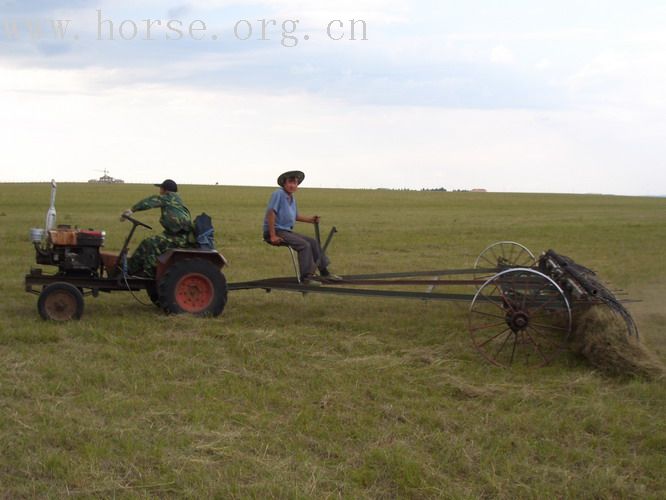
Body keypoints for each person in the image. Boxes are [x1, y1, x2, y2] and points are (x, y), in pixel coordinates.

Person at [263, 170, 341, 285]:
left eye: (295, 183)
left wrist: (311, 220)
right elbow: (271, 213)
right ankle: (306, 278)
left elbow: (295, 216)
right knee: (304, 245)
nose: (293, 185)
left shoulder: (291, 198)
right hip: (276, 230)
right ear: (284, 183)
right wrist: (273, 235)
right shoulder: (278, 194)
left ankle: (325, 273)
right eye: (290, 182)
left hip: (286, 231)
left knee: (313, 242)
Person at [120, 179, 193, 277]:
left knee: (150, 243)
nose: (159, 191)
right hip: (176, 234)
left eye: (161, 188)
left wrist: (132, 210)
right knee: (150, 242)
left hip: (179, 237)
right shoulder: (177, 199)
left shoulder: (169, 198)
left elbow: (150, 201)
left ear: (165, 190)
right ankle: (131, 270)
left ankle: (145, 273)